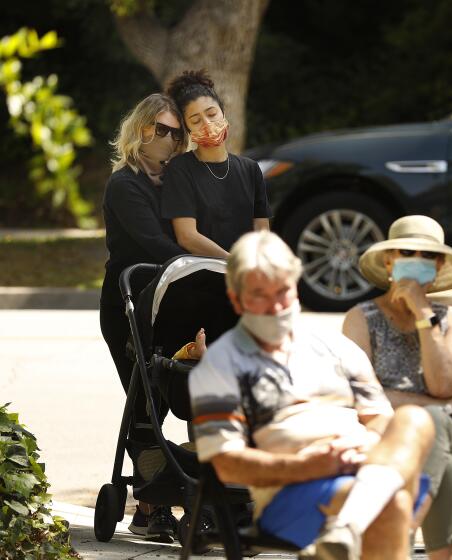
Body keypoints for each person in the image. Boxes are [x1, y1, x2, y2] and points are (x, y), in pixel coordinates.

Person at [189, 230, 434, 559]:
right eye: (260, 295)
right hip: (290, 491)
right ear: (236, 299)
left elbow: (380, 419)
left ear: (297, 287)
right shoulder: (220, 365)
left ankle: (344, 528)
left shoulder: (335, 346)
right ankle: (345, 529)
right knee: (395, 500)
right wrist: (308, 465)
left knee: (415, 419)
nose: (276, 306)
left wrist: (361, 446)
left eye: (283, 292)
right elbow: (227, 464)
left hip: (362, 466)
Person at [343, 215, 452, 560]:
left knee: (436, 425)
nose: (418, 261)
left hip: (447, 434)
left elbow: (444, 383)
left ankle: (395, 534)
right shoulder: (361, 317)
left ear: (440, 263)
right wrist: (435, 404)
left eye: (427, 255)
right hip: (382, 433)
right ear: (389, 260)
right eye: (408, 252)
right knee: (436, 422)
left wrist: (422, 313)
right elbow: (359, 397)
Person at [99, 92, 189, 540]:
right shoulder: (125, 184)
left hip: (175, 302)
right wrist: (204, 261)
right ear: (140, 129)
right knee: (146, 403)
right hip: (128, 305)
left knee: (179, 396)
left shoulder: (180, 180)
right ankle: (150, 506)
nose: (168, 139)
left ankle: (189, 494)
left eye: (176, 131)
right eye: (160, 129)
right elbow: (156, 244)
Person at [162, 70, 270, 258]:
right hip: (203, 277)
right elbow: (187, 237)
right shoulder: (179, 169)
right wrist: (232, 264)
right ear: (187, 129)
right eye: (196, 120)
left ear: (223, 112)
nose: (207, 123)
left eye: (212, 114)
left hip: (247, 278)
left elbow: (262, 232)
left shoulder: (250, 169)